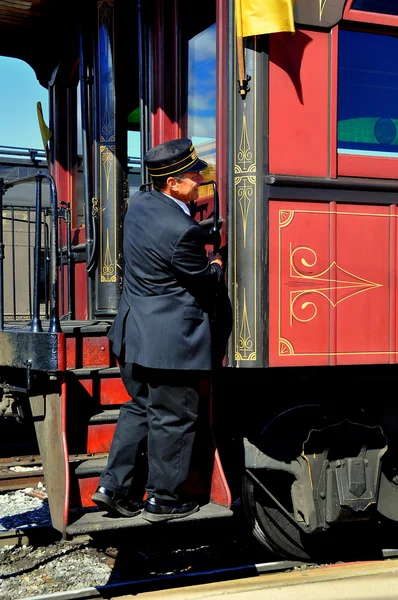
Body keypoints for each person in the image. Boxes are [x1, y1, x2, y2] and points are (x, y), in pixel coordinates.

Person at [92, 138, 229, 523]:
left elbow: (167, 240)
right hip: (171, 345)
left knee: (138, 408)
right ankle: (164, 498)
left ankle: (112, 488)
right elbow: (203, 279)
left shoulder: (140, 207)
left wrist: (197, 231)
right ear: (172, 183)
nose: (200, 178)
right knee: (174, 418)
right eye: (193, 174)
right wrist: (216, 261)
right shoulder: (181, 229)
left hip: (134, 335)